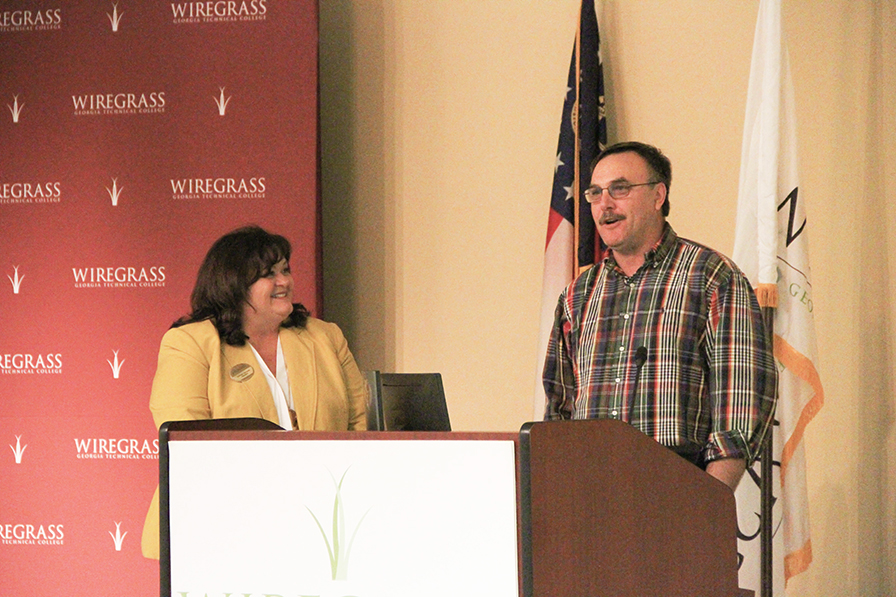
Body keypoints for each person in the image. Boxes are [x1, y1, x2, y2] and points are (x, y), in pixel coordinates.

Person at [542, 141, 777, 490]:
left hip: (678, 494)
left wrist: (707, 502)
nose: (604, 204)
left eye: (619, 189)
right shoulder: (579, 294)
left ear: (658, 196)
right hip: (590, 497)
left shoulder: (712, 277)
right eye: (595, 193)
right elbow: (559, 410)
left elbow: (741, 401)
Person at [140, 225, 367, 559]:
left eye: (285, 270)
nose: (284, 282)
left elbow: (361, 427)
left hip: (319, 530)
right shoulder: (190, 343)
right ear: (233, 284)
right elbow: (186, 443)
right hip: (218, 530)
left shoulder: (325, 337)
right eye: (268, 275)